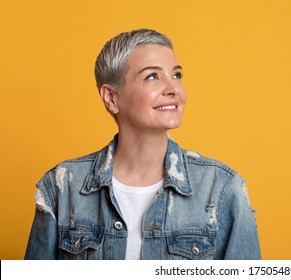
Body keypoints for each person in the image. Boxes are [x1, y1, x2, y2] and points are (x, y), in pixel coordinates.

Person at [25, 28, 261, 260]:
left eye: (176, 75)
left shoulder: (222, 189)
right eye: (152, 76)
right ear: (111, 97)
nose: (173, 89)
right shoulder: (61, 187)